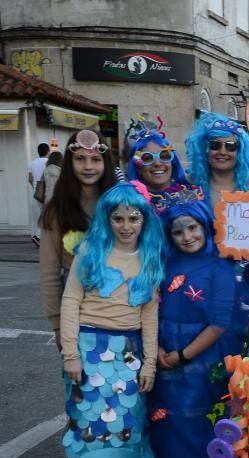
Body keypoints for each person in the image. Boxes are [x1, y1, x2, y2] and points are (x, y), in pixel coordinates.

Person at [33, 183, 191, 458]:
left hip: (130, 352)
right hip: (91, 349)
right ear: (107, 219)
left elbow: (150, 315)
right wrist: (71, 354)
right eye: (117, 218)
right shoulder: (91, 251)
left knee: (130, 427)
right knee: (93, 428)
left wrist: (149, 363)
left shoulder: (150, 256)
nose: (125, 225)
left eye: (133, 218)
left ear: (143, 220)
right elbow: (71, 301)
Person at [149, 189, 236, 458]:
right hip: (163, 354)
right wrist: (156, 347)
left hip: (201, 360)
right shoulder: (163, 265)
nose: (186, 236)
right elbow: (149, 308)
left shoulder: (219, 268)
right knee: (168, 422)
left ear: (205, 226)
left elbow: (219, 323)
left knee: (198, 419)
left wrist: (183, 355)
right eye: (177, 230)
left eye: (192, 227)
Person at [185, 112, 249, 352]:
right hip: (202, 275)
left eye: (230, 146)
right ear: (205, 148)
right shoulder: (191, 184)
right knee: (207, 340)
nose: (222, 151)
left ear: (239, 150)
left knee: (247, 343)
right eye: (215, 145)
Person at [39, 130, 118, 351]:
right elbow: (49, 271)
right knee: (80, 379)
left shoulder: (119, 204)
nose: (88, 166)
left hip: (119, 307)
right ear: (69, 163)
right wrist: (57, 325)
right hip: (75, 311)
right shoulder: (56, 211)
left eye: (95, 159)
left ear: (106, 163)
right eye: (80, 159)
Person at [125, 116, 191, 202]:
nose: (157, 163)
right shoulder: (128, 201)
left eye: (164, 156)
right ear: (138, 168)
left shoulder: (190, 196)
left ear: (173, 163)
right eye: (147, 158)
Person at [28, 142, 51, 244]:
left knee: (44, 213)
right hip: (47, 191)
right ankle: (37, 236)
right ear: (47, 151)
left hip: (37, 192)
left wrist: (34, 187)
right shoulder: (49, 162)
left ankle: (42, 236)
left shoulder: (32, 163)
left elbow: (30, 178)